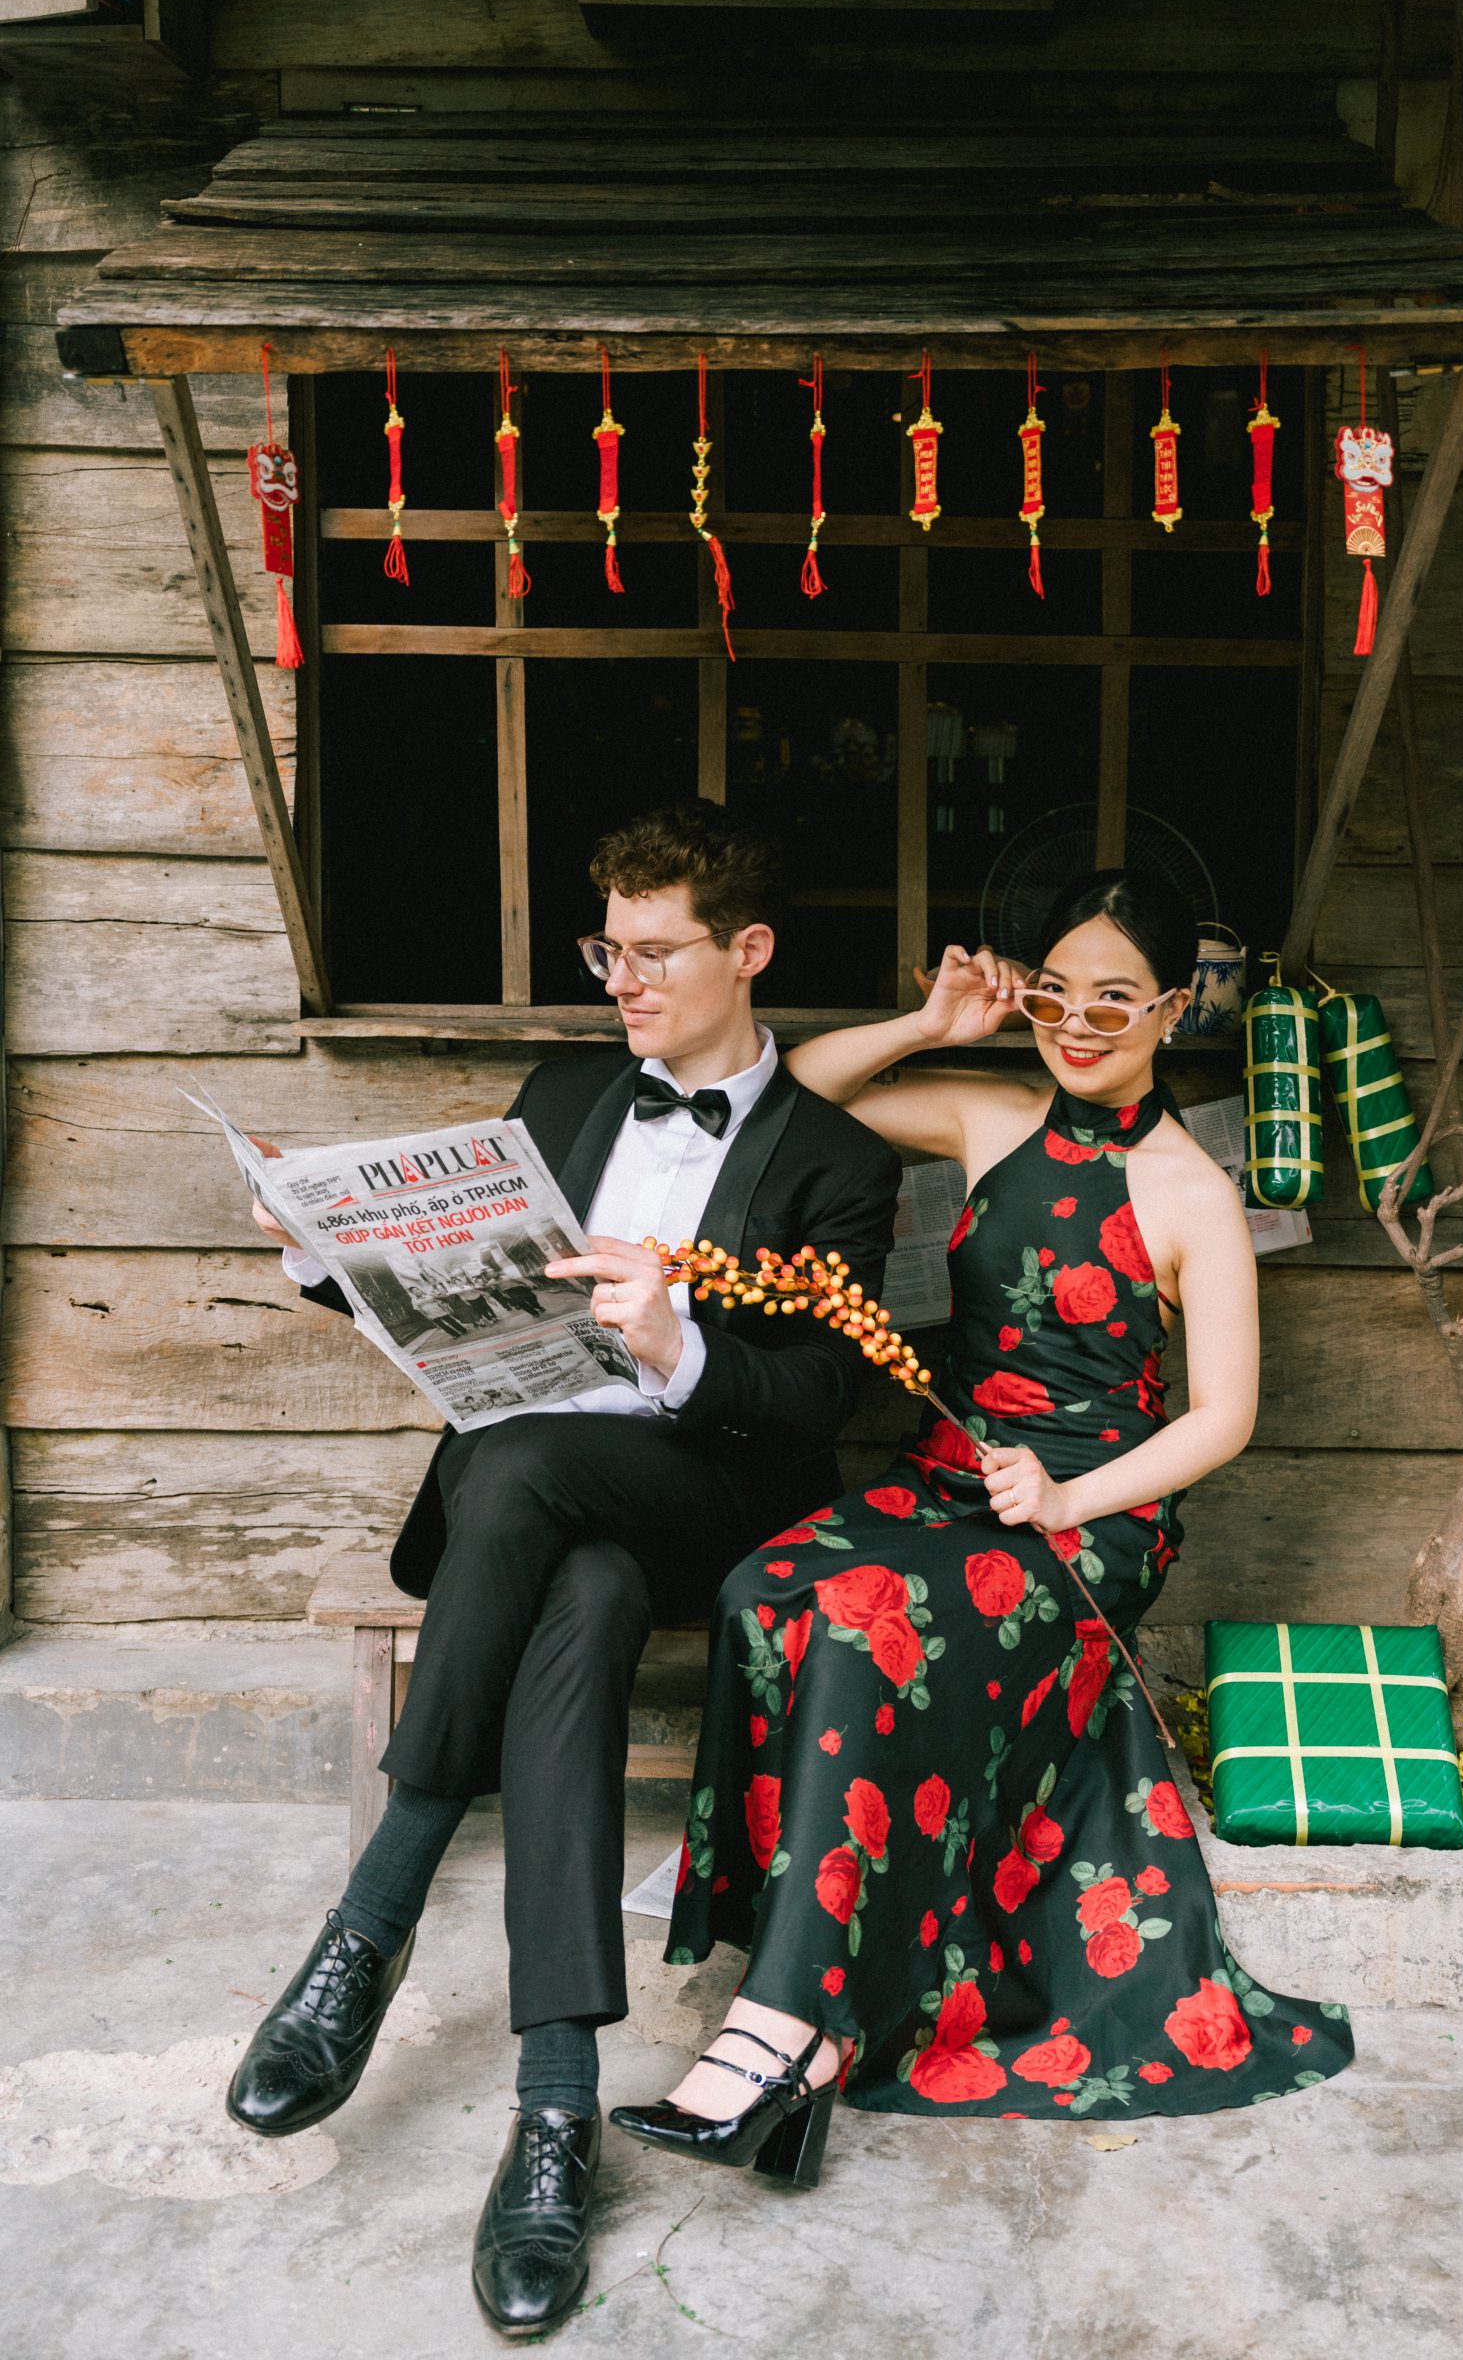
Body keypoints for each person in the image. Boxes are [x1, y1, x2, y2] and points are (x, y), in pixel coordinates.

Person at [224, 800, 900, 2340]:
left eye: (656, 952)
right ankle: (553, 2110)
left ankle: (370, 1919)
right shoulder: (566, 1094)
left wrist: (679, 1347)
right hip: (531, 1509)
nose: (624, 982)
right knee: (574, 1588)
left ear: (751, 950)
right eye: (609, 950)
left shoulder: (835, 1163)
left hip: (702, 1493)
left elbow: (819, 1400)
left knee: (533, 1476)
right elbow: (454, 1285)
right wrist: (324, 1247)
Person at [612, 868, 1354, 2182]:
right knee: (761, 1592)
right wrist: (931, 1025)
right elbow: (792, 1095)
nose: (1079, 1025)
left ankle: (783, 2034)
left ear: (1173, 1009)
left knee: (869, 1620)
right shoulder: (991, 1116)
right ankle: (797, 1963)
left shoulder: (1193, 1191)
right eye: (1055, 996)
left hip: (1087, 1513)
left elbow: (1224, 1417)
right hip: (942, 1478)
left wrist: (1070, 1499)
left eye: (1115, 1000)